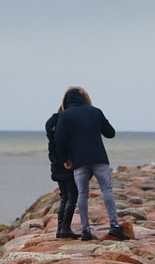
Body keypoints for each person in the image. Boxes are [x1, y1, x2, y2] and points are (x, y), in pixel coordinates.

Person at [54, 86, 129, 241]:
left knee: (82, 194)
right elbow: (110, 133)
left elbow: (59, 140)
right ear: (84, 98)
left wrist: (65, 159)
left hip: (79, 161)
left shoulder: (65, 115)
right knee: (107, 190)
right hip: (99, 158)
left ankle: (85, 230)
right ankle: (115, 226)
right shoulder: (96, 111)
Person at [45, 105, 79, 239]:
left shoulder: (51, 125)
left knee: (64, 196)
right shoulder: (64, 125)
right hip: (67, 165)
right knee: (72, 196)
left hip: (55, 165)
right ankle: (65, 227)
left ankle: (61, 228)